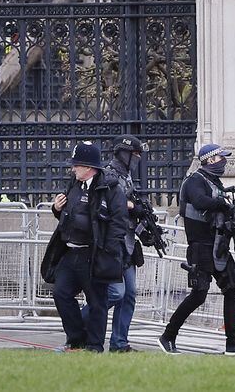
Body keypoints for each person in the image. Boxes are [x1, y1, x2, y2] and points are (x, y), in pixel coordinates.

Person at [158, 144, 235, 355]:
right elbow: (200, 201)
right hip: (201, 247)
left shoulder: (215, 183)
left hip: (219, 246)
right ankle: (168, 336)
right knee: (199, 294)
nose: (224, 162)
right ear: (210, 160)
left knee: (233, 287)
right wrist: (222, 204)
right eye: (221, 158)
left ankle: (233, 343)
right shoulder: (195, 180)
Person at [47, 141, 128, 352]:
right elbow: (68, 215)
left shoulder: (111, 188)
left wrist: (106, 252)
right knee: (61, 293)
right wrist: (56, 209)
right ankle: (77, 339)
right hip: (70, 252)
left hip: (94, 254)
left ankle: (94, 346)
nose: (73, 169)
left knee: (97, 302)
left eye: (76, 165)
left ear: (88, 167)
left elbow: (119, 223)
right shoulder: (73, 184)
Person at [81, 135, 144, 353]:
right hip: (112, 242)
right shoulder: (107, 174)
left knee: (130, 294)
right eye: (135, 154)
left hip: (127, 242)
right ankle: (78, 321)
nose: (137, 158)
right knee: (116, 293)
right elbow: (104, 201)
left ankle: (119, 342)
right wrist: (130, 206)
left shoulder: (127, 176)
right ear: (124, 154)